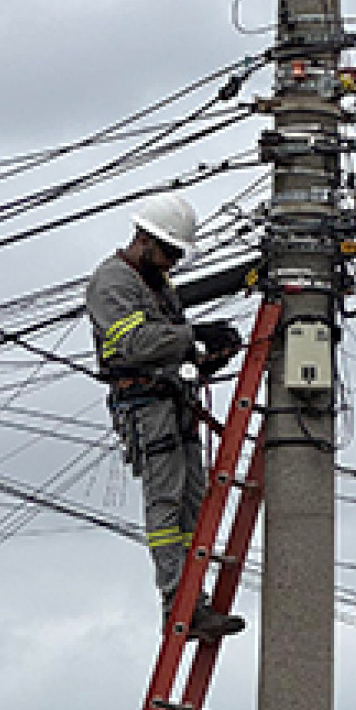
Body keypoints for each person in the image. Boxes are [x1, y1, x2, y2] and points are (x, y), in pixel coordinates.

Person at [86, 193, 245, 639]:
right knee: (166, 503)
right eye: (170, 252)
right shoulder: (112, 282)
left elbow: (174, 343)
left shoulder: (158, 285)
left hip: (173, 398)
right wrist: (193, 335)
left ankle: (196, 601)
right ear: (144, 240)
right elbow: (136, 344)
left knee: (195, 501)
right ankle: (177, 603)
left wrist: (207, 354)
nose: (173, 262)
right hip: (143, 405)